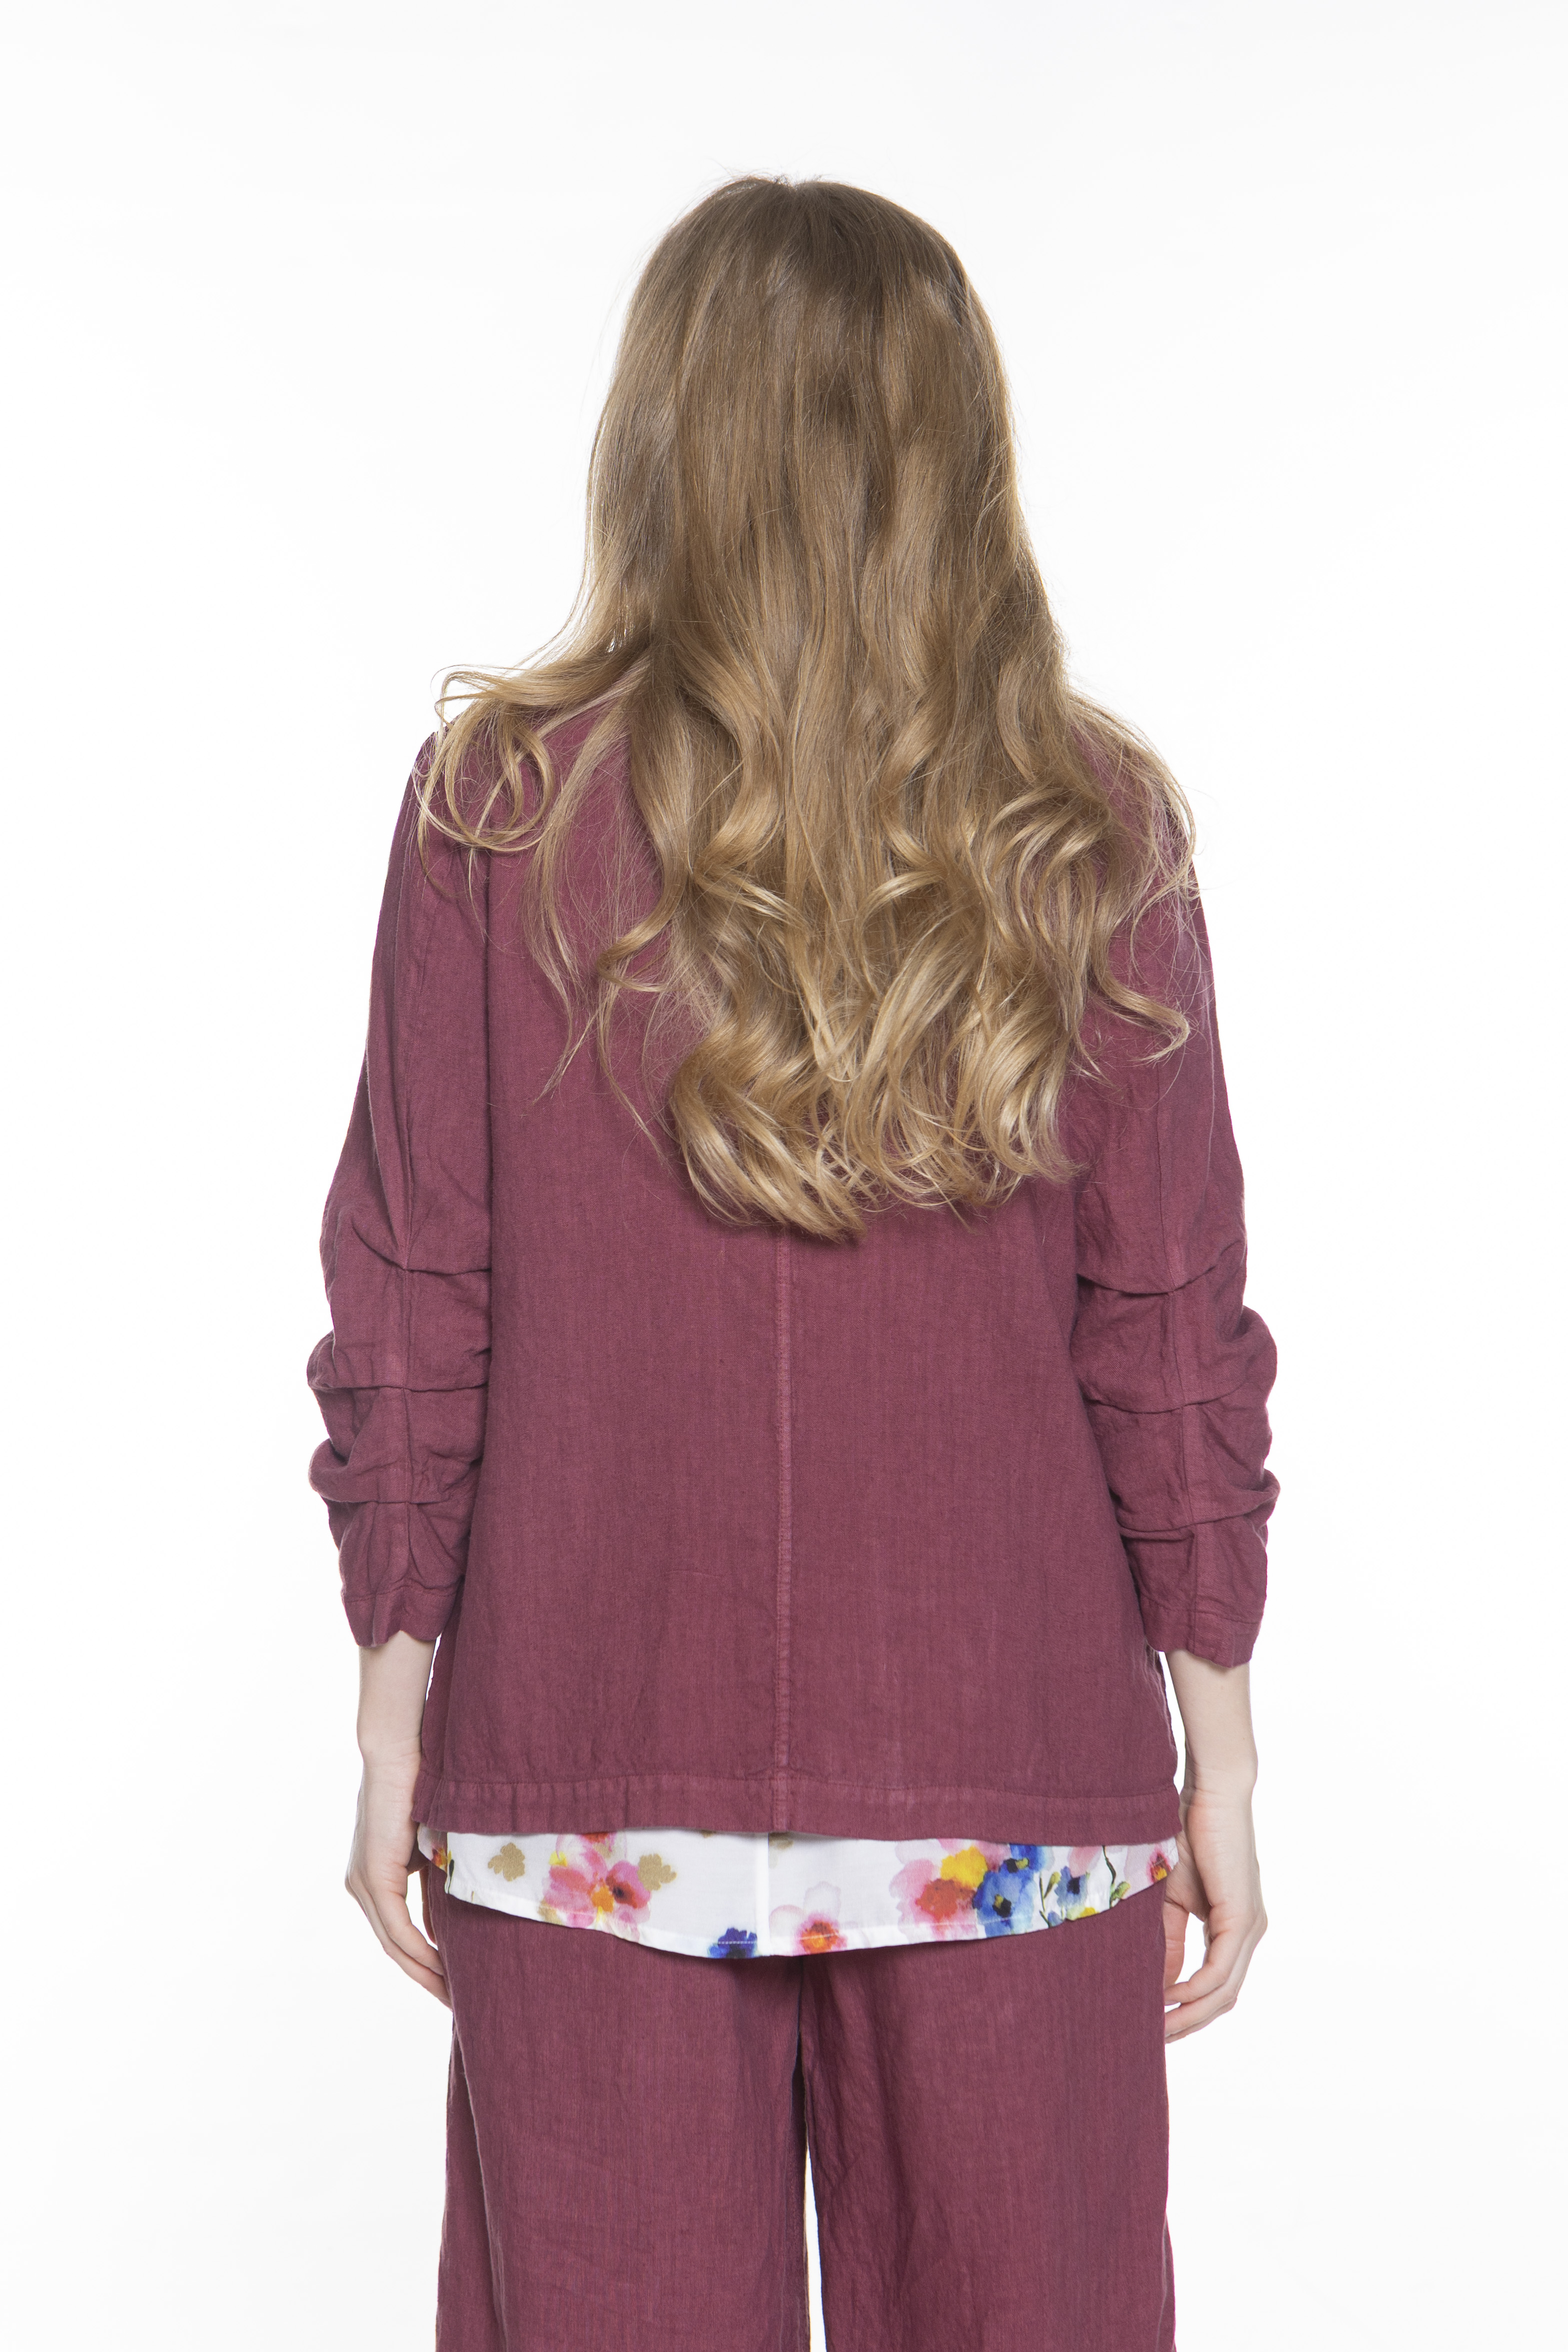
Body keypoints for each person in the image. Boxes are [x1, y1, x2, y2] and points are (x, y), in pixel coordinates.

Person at [308, 174, 1276, 2352]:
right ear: (962, 450)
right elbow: (1168, 1333)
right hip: (1004, 1769)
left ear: (662, 436)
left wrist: (395, 1708)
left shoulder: (498, 810)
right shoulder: (1080, 828)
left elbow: (414, 1295)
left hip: (592, 1758)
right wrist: (1218, 1742)